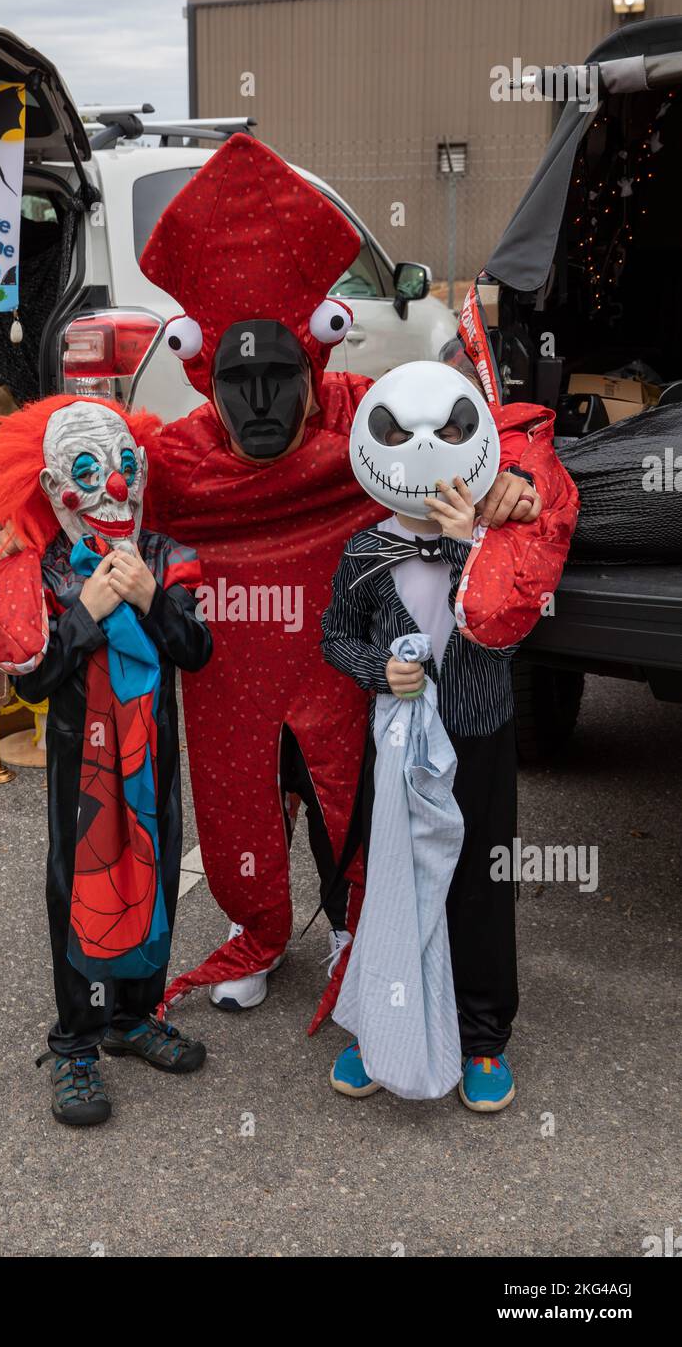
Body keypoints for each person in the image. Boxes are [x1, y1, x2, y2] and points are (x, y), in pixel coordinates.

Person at [128, 133, 549, 1026]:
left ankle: (358, 927)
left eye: (280, 375)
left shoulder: (364, 417)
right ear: (203, 372)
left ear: (315, 361)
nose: (260, 403)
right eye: (236, 380)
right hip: (228, 669)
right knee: (238, 803)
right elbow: (83, 486)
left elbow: (474, 428)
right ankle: (259, 929)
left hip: (342, 659)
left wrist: (516, 476)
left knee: (349, 794)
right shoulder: (176, 463)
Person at [321, 362, 578, 1111]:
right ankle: (384, 1023)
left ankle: (483, 1035)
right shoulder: (364, 553)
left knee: (479, 885)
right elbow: (334, 638)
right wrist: (378, 668)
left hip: (478, 733)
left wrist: (478, 542)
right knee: (394, 878)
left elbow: (506, 621)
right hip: (397, 745)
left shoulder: (503, 537)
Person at [0, 397, 212, 1126]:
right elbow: (34, 681)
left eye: (125, 465)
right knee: (78, 892)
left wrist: (151, 600)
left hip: (152, 768)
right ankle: (75, 1040)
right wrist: (85, 615)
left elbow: (197, 653)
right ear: (48, 485)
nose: (114, 486)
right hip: (83, 778)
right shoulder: (39, 574)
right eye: (86, 470)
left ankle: (133, 1016)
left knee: (157, 878)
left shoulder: (163, 558)